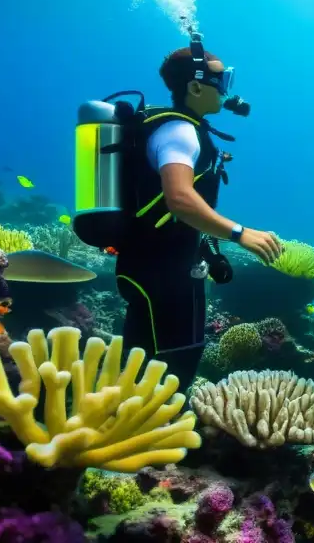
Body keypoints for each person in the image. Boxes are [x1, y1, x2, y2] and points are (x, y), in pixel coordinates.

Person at [115, 44, 282, 390]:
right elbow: (179, 198)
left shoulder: (184, 128)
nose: (227, 89)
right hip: (160, 273)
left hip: (163, 266)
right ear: (194, 87)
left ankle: (139, 430)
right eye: (221, 81)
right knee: (165, 369)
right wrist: (240, 233)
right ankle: (143, 436)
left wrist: (211, 252)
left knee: (151, 364)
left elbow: (183, 206)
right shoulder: (179, 132)